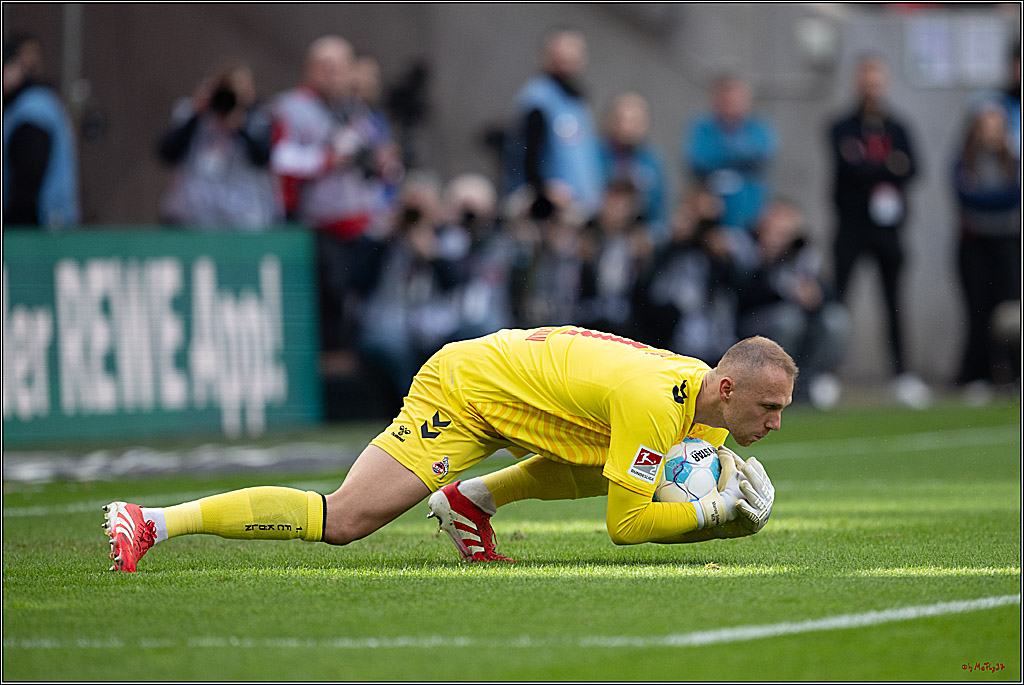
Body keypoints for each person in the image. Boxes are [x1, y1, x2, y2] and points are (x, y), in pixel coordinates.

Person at [104, 327, 792, 571]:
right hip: (466, 390)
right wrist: (715, 517)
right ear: (727, 385)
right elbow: (627, 524)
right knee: (345, 519)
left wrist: (718, 513)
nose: (776, 423)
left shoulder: (704, 412)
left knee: (613, 467)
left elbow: (635, 497)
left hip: (521, 392)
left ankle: (471, 498)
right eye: (769, 406)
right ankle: (153, 520)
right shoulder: (656, 404)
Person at [270, 36, 403, 366]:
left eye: (341, 69)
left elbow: (376, 155)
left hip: (359, 221)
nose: (334, 76)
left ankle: (357, 366)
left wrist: (382, 161)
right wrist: (327, 159)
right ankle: (332, 371)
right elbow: (280, 159)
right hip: (316, 222)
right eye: (327, 68)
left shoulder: (355, 110)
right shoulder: (291, 107)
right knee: (328, 299)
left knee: (360, 299)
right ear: (311, 69)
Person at [827, 54, 930, 409]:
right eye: (866, 81)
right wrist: (888, 167)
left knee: (894, 301)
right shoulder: (841, 126)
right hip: (852, 226)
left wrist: (869, 165)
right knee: (839, 300)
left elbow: (913, 167)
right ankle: (829, 372)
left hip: (888, 229)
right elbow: (848, 167)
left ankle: (903, 373)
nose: (872, 88)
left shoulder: (898, 127)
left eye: (877, 81)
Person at [733, 199, 850, 410]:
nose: (783, 237)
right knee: (788, 320)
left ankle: (809, 382)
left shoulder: (801, 253)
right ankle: (774, 386)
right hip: (752, 326)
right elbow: (740, 296)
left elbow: (829, 293)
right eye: (779, 229)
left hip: (802, 323)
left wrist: (816, 296)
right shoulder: (745, 247)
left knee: (836, 320)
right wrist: (767, 262)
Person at [156, 59, 281, 231]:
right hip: (193, 216)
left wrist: (240, 126)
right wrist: (196, 114)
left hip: (244, 219)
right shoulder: (191, 113)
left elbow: (263, 157)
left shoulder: (258, 117)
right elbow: (166, 153)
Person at [951, 100, 1021, 400]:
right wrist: (995, 198)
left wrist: (987, 196)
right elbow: (966, 197)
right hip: (974, 243)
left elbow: (1011, 196)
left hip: (1008, 242)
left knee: (1009, 312)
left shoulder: (1013, 161)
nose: (991, 132)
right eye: (985, 126)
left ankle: (1014, 373)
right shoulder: (965, 160)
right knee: (977, 310)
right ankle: (977, 374)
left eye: (996, 126)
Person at [503, 27, 605, 222]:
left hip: (578, 209)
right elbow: (526, 155)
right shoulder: (538, 99)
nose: (568, 58)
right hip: (544, 209)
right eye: (561, 52)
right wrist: (542, 189)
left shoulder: (578, 104)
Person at [632, 188, 741, 365]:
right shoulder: (663, 244)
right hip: (667, 339)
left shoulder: (722, 247)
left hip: (713, 340)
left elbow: (739, 287)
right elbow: (648, 295)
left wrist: (721, 258)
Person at [682, 74, 778, 234]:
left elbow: (764, 154)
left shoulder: (760, 129)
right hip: (710, 219)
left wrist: (721, 155)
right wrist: (741, 157)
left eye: (735, 100)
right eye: (725, 101)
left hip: (752, 219)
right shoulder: (702, 128)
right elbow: (697, 160)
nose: (730, 106)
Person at [2, 33, 80, 229]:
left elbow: (29, 174)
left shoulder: (32, 108)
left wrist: (12, 222)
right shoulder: (25, 105)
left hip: (41, 225)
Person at [598, 91, 670, 242]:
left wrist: (648, 237)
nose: (627, 127)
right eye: (622, 119)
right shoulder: (594, 155)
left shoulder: (652, 161)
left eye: (635, 121)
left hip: (634, 240)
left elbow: (660, 212)